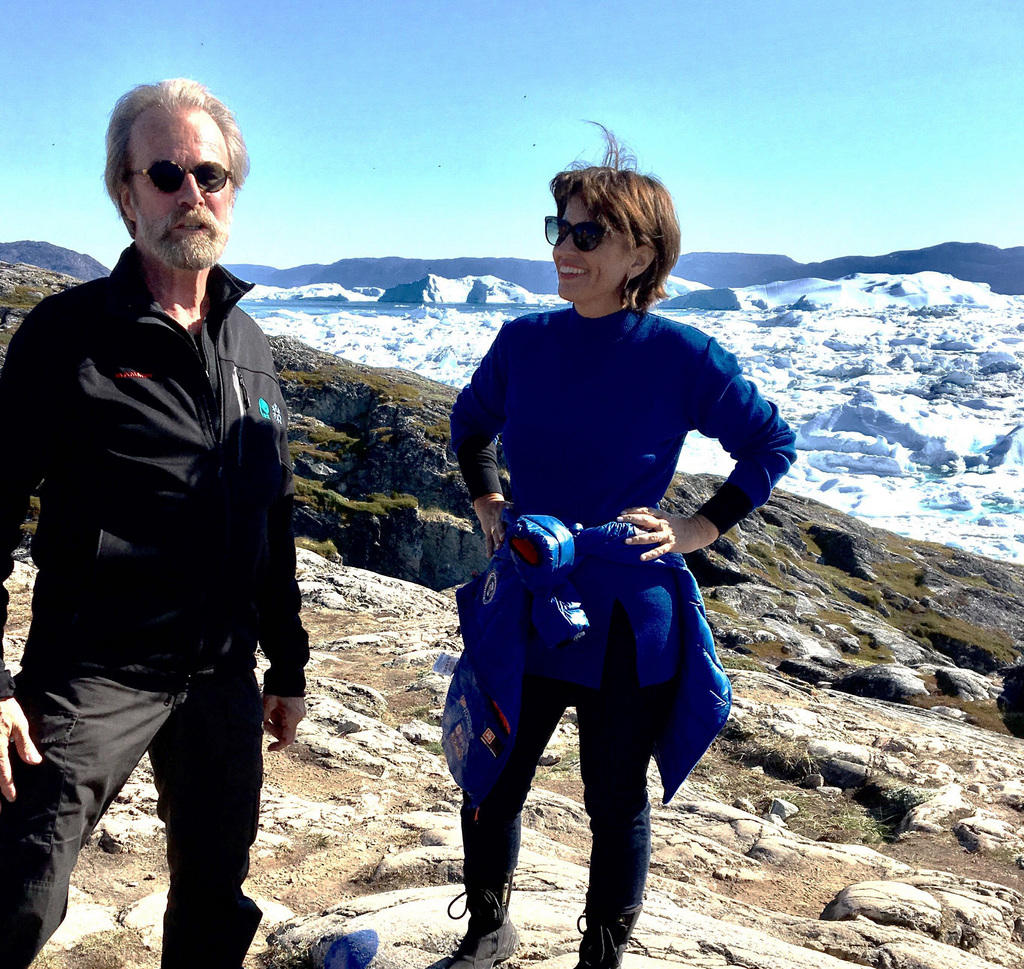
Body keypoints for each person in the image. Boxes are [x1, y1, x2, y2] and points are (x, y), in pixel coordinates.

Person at [445, 135, 797, 969]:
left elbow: (770, 444)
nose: (564, 250)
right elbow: (470, 425)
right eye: (558, 230)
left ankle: (601, 956)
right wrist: (490, 502)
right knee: (489, 774)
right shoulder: (524, 340)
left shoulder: (682, 355)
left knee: (614, 801)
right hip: (529, 602)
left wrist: (697, 529)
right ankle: (488, 931)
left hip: (627, 620)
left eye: (586, 235)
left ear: (641, 250)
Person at [0, 79, 309, 969]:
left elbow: (271, 519)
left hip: (219, 677)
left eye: (209, 174)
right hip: (91, 671)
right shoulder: (67, 335)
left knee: (215, 902)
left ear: (233, 192)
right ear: (126, 192)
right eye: (166, 172)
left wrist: (285, 663)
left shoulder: (249, 345)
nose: (191, 193)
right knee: (18, 891)